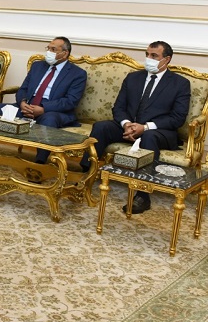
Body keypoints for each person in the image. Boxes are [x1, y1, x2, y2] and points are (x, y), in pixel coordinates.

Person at [80, 41, 191, 214]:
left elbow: (177, 118)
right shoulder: (133, 78)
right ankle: (86, 176)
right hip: (129, 126)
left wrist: (145, 127)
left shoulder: (180, 83)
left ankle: (142, 196)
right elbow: (118, 107)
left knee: (148, 137)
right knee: (101, 127)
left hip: (158, 132)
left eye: (154, 56)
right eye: (147, 54)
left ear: (167, 59)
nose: (149, 59)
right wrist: (126, 124)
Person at [0, 37, 86, 166]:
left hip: (52, 111)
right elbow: (23, 89)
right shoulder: (38, 66)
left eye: (53, 49)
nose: (49, 52)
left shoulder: (77, 74)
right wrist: (22, 103)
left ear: (65, 53)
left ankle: (39, 165)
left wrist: (43, 108)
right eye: (48, 48)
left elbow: (70, 101)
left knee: (49, 119)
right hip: (27, 106)